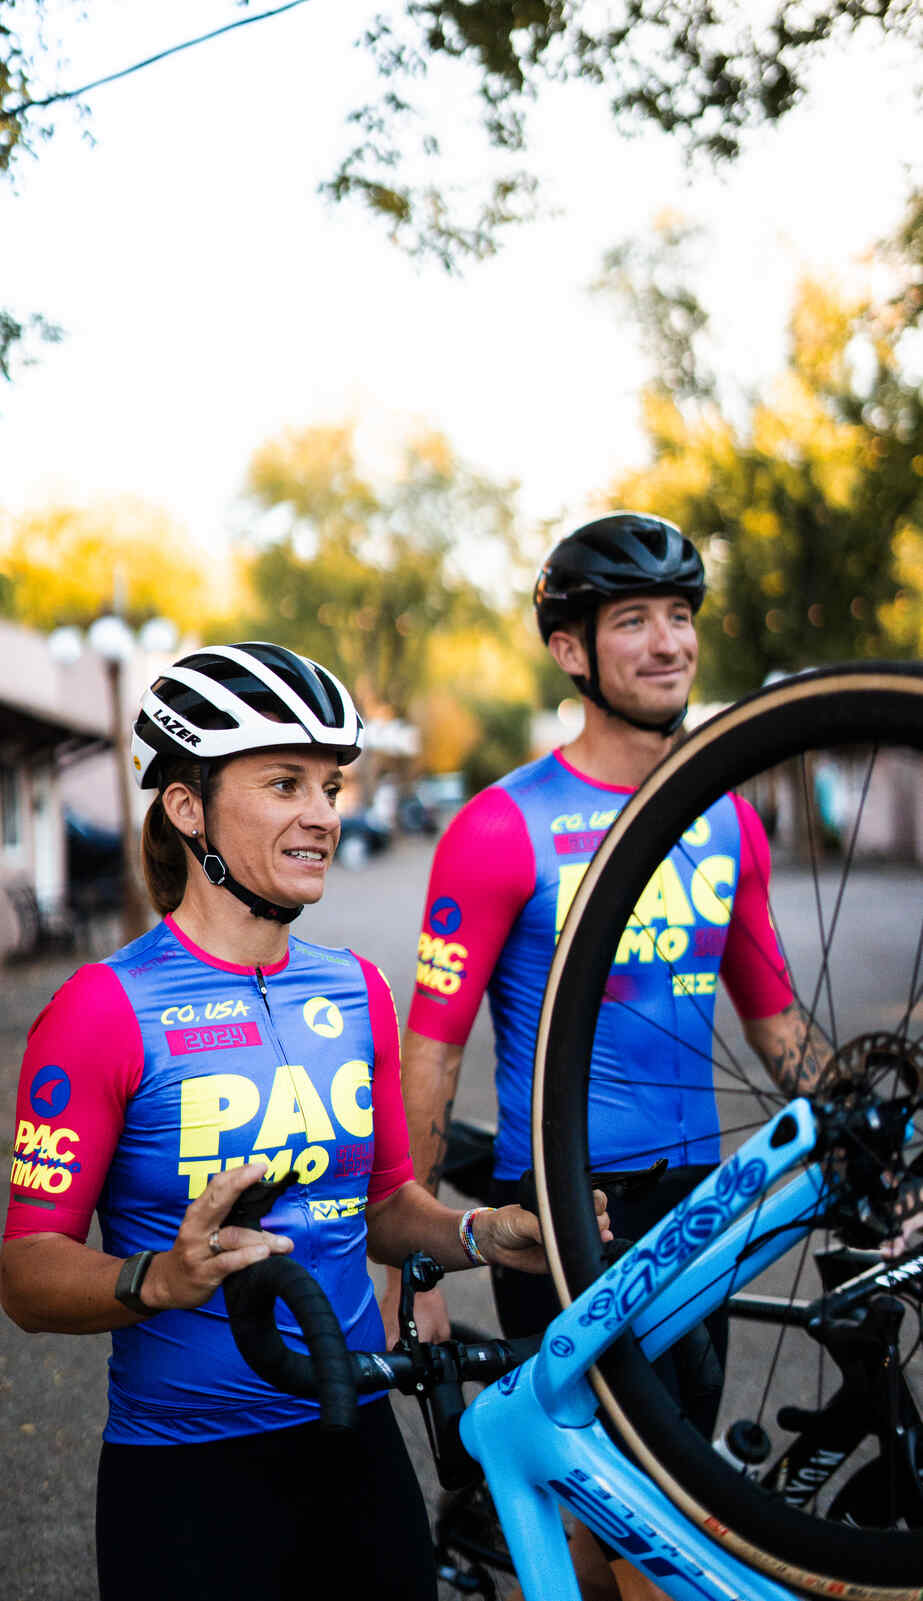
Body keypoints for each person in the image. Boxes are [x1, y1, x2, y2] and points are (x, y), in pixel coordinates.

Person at [0, 641, 609, 1601]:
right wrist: (157, 1277)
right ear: (186, 805)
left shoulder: (357, 989)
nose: (323, 814)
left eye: (330, 786)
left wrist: (480, 1234)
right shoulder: (101, 1010)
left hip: (355, 1440)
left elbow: (382, 1207)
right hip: (188, 1475)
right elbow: (28, 1274)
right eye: (285, 783)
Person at [384, 513, 833, 1601]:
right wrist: (409, 1246)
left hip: (701, 1199)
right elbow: (431, 1052)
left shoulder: (728, 819)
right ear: (570, 650)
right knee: (623, 1524)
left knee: (676, 1498)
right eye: (630, 620)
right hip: (563, 1205)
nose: (666, 642)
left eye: (678, 616)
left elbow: (777, 1027)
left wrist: (874, 1127)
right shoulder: (500, 828)